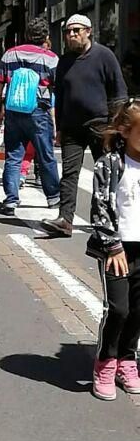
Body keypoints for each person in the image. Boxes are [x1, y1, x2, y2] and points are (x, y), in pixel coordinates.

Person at [42, 14, 127, 237]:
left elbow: (119, 93)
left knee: (105, 174)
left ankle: (103, 218)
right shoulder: (64, 62)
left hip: (101, 126)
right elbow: (59, 96)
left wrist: (115, 126)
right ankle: (65, 220)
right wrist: (58, 128)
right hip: (72, 127)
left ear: (88, 31)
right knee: (69, 174)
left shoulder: (104, 56)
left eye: (77, 30)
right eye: (68, 31)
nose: (72, 35)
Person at [87, 99, 140, 401]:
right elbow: (100, 208)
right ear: (123, 131)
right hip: (117, 250)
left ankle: (128, 360)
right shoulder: (109, 164)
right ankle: (106, 362)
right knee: (119, 309)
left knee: (138, 310)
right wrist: (113, 246)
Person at [0, 16, 60, 217]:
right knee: (45, 154)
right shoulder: (51, 58)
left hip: (14, 111)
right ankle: (53, 197)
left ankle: (11, 199)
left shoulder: (10, 55)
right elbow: (59, 88)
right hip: (39, 111)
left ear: (26, 35)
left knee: (13, 155)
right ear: (45, 36)